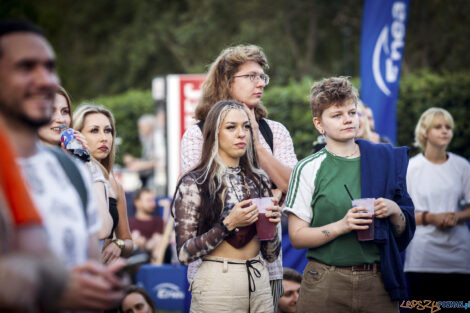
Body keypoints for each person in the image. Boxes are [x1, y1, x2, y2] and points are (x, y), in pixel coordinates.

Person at [0, 19, 126, 311]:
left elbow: (89, 256)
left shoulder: (69, 169)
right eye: (26, 67)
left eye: (49, 67)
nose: (44, 80)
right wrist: (54, 292)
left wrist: (103, 286)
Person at [283, 76, 415, 313]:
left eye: (352, 112)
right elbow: (297, 236)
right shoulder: (307, 167)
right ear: (318, 124)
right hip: (325, 281)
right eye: (337, 115)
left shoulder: (385, 158)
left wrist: (395, 211)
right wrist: (342, 225)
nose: (347, 120)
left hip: (379, 281)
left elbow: (404, 230)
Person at [181, 44, 297, 310]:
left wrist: (256, 142)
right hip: (213, 267)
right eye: (251, 76)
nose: (260, 84)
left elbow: (294, 187)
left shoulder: (275, 131)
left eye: (262, 77)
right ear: (226, 81)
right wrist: (269, 192)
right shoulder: (197, 135)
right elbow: (197, 197)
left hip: (268, 266)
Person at [173, 100, 282, 312]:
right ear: (214, 133)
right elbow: (184, 254)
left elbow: (271, 254)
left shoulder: (260, 179)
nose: (241, 134)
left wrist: (272, 227)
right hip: (217, 281)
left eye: (246, 127)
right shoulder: (195, 181)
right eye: (231, 127)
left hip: (259, 278)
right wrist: (228, 224)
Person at [404, 107, 470, 301]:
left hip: (459, 257)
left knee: (458, 307)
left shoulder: (462, 165)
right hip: (423, 258)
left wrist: (457, 216)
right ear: (424, 132)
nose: (445, 131)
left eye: (448, 127)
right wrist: (431, 217)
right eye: (438, 127)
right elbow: (402, 215)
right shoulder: (411, 168)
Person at [73, 104, 134, 264]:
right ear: (77, 135)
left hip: (103, 273)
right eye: (94, 130)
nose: (104, 137)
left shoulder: (115, 185)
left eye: (108, 131)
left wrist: (118, 244)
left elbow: (127, 241)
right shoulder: (71, 174)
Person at [129, 188, 165, 261]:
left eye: (153, 200)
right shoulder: (129, 222)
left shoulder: (158, 221)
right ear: (137, 202)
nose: (153, 204)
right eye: (149, 200)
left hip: (154, 257)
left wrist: (143, 243)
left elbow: (157, 239)